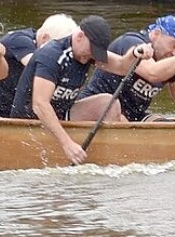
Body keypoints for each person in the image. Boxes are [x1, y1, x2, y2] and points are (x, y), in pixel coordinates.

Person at [10, 15, 113, 165]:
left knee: (109, 103)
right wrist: (67, 143)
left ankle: (109, 156)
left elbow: (122, 65)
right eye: (92, 50)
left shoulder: (85, 53)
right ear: (80, 37)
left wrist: (135, 54)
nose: (91, 56)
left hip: (62, 115)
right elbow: (40, 105)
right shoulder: (51, 55)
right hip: (29, 121)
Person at [82, 15, 175, 122]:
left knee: (163, 126)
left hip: (135, 117)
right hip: (99, 111)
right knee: (123, 121)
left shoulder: (168, 61)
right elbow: (153, 73)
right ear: (156, 34)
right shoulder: (132, 42)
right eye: (173, 45)